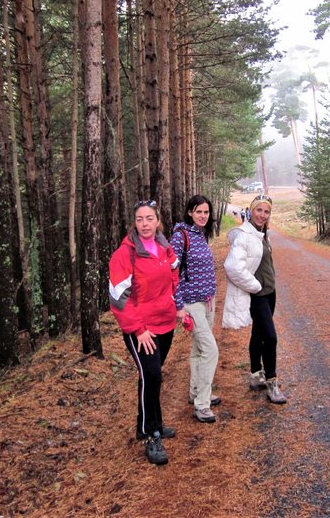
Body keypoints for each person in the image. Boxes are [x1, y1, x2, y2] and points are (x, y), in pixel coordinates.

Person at [108, 200, 180, 465]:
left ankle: (146, 425)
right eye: (140, 219)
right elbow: (118, 299)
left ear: (157, 221)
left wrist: (175, 302)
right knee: (152, 375)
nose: (145, 224)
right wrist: (138, 330)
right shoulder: (124, 254)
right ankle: (152, 435)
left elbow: (174, 271)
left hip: (166, 323)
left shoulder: (164, 246)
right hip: (140, 329)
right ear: (134, 223)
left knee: (150, 378)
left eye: (150, 218)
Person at [222, 194, 287, 404]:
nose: (262, 215)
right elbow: (232, 267)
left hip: (270, 293)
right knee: (270, 337)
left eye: (266, 211)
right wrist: (255, 286)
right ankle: (272, 382)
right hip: (258, 295)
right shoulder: (244, 236)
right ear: (250, 211)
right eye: (259, 210)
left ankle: (254, 374)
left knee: (259, 333)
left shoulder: (261, 233)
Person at [170, 195, 220, 424]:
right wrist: (179, 305)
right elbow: (171, 274)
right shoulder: (180, 237)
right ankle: (202, 404)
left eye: (206, 212)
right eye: (198, 211)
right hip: (192, 303)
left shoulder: (201, 235)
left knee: (199, 350)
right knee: (210, 350)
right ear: (190, 212)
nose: (203, 216)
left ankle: (196, 392)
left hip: (207, 300)